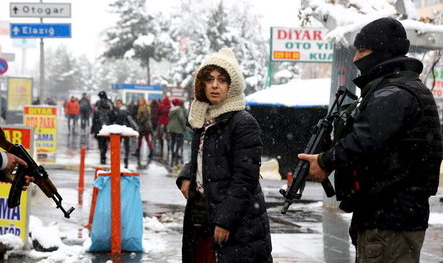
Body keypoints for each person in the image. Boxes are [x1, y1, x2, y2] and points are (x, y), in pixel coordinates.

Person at [298, 17, 442, 263]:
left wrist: (324, 160)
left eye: (362, 50)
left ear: (383, 50)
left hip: (388, 221)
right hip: (393, 217)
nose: (356, 58)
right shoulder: (401, 88)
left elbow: (364, 142)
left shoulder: (393, 93)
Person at [176, 48, 272, 262]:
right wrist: (186, 174)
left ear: (232, 85)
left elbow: (245, 177)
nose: (214, 85)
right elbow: (205, 157)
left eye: (222, 80)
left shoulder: (243, 122)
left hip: (238, 224)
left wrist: (225, 220)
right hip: (202, 216)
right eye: (209, 79)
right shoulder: (203, 117)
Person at [91, 91, 115, 165]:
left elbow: (94, 118)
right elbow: (113, 117)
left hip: (99, 127)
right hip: (107, 127)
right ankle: (104, 155)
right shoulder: (110, 104)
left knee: (100, 143)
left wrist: (92, 128)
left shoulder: (98, 104)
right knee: (105, 142)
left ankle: (102, 155)